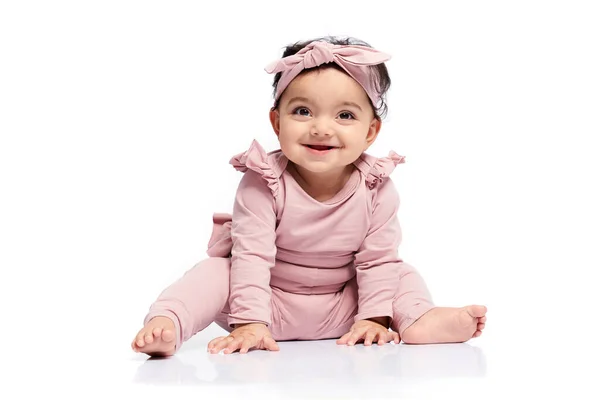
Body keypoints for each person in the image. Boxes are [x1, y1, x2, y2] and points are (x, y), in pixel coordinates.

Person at [131, 36, 487, 357]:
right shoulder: (264, 181)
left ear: (370, 132)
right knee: (215, 271)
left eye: (345, 115)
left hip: (345, 310)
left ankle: (417, 320)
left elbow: (376, 261)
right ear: (277, 123)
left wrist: (374, 318)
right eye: (302, 111)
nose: (321, 127)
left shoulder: (376, 186)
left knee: (399, 272)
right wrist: (250, 322)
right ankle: (170, 322)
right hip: (264, 304)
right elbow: (252, 256)